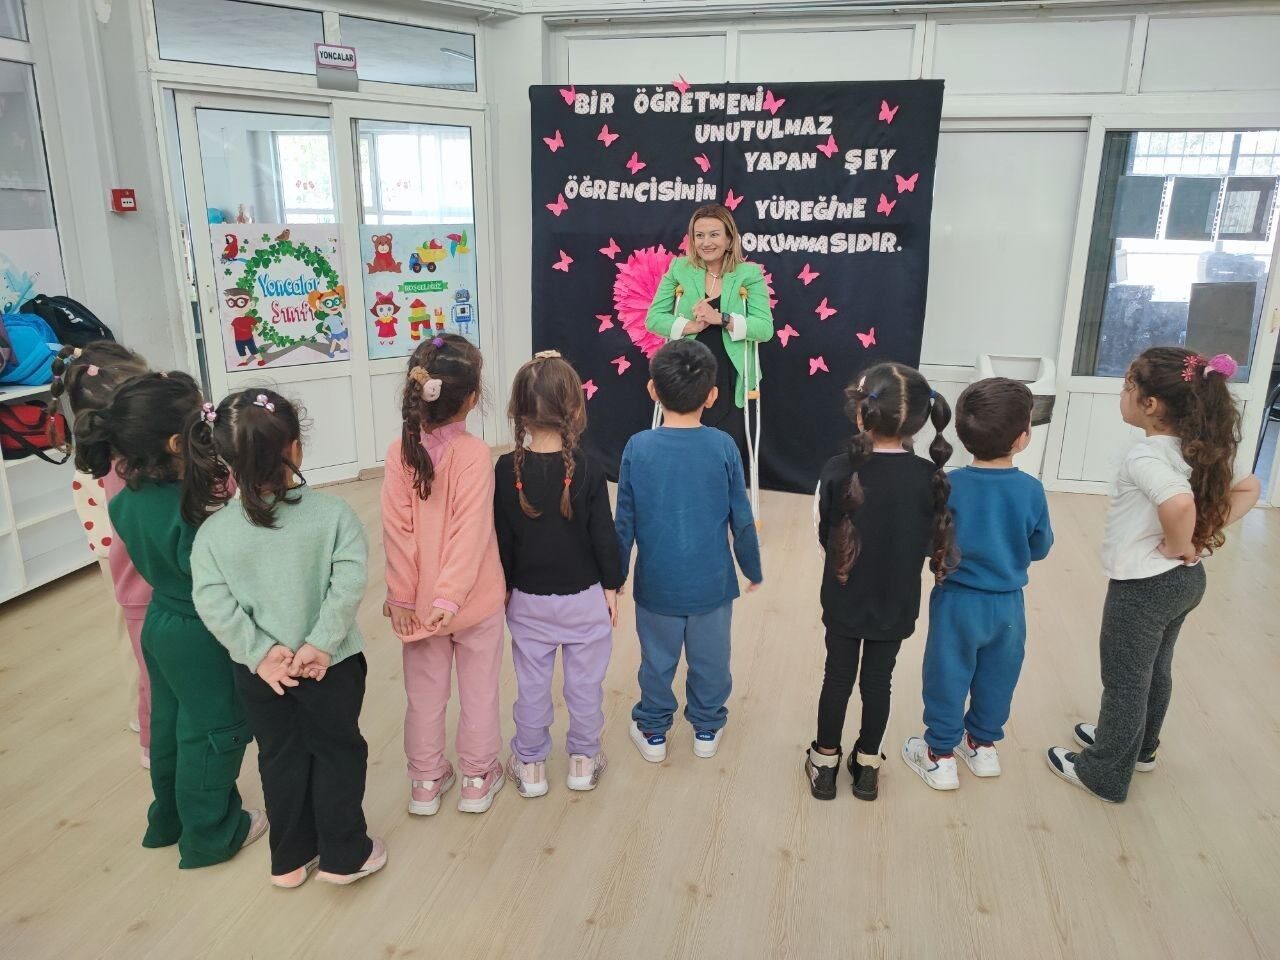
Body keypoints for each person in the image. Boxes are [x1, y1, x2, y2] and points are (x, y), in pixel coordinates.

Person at [188, 388, 384, 887]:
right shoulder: (334, 514)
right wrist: (320, 643)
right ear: (295, 447)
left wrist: (259, 654)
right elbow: (348, 582)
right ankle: (345, 856)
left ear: (225, 457)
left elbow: (213, 603)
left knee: (279, 757)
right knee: (338, 752)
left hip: (262, 676)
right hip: (331, 666)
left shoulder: (212, 535)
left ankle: (290, 861)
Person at [1047, 349, 1260, 803]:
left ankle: (1104, 772)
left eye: (1128, 388)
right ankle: (1140, 747)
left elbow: (1178, 504)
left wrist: (1181, 542)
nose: (1122, 395)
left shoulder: (1145, 456)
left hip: (1143, 587)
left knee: (1125, 681)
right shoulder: (1201, 449)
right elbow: (1249, 486)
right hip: (1186, 583)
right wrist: (1203, 535)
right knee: (1154, 668)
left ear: (1151, 404)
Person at [77, 372, 266, 868]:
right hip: (200, 630)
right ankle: (211, 833)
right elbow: (217, 580)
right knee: (214, 730)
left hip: (160, 621)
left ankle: (169, 818)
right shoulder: (193, 508)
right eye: (203, 422)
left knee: (169, 724)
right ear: (178, 443)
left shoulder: (126, 501)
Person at [803, 363, 954, 802]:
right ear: (920, 422)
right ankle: (867, 766)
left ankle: (824, 763)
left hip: (844, 595)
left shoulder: (836, 469)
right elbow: (929, 539)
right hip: (897, 600)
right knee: (878, 682)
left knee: (837, 677)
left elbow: (824, 535)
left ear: (861, 413)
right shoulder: (930, 475)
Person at [902, 378, 1053, 791]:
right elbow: (1040, 547)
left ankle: (940, 755)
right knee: (999, 675)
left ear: (962, 432)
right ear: (1021, 438)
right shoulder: (1031, 489)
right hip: (1008, 605)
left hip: (956, 601)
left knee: (947, 674)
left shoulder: (947, 484)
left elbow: (928, 541)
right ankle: (983, 746)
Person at [616, 339, 762, 763]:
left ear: (652, 390)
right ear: (712, 395)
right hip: (713, 585)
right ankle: (706, 727)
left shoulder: (637, 447)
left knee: (656, 662)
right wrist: (752, 568)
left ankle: (653, 730)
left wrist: (615, 576)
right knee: (712, 660)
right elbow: (741, 517)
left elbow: (624, 521)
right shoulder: (723, 446)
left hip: (657, 584)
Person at [382, 334, 507, 815]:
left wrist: (402, 596)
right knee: (479, 693)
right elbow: (470, 533)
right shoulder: (474, 454)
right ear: (472, 398)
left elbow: (396, 532)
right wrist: (449, 598)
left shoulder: (398, 452)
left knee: (424, 697)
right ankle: (477, 777)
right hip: (472, 604)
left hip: (417, 609)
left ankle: (425, 782)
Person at [495, 351, 623, 797]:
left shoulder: (504, 469)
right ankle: (583, 761)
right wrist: (612, 586)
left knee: (531, 688)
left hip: (527, 601)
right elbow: (604, 535)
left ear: (519, 411)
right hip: (585, 600)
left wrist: (503, 589)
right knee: (585, 687)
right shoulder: (589, 467)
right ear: (573, 408)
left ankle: (530, 765)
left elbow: (501, 539)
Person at [49, 342, 152, 767]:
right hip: (121, 556)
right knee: (132, 632)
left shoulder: (107, 455)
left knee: (135, 631)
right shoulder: (107, 463)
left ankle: (144, 708)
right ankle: (141, 712)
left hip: (127, 551)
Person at [645, 204, 775, 491]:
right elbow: (654, 318)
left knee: (720, 449)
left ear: (729, 238)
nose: (706, 242)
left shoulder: (749, 274)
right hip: (686, 371)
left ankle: (719, 501)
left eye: (714, 234)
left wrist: (722, 318)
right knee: (683, 445)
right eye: (699, 235)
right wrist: (690, 325)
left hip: (728, 374)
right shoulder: (680, 269)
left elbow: (765, 329)